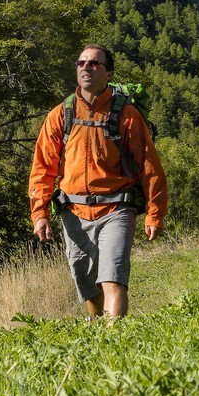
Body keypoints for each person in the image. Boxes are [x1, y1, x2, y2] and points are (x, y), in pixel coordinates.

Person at [28, 44, 167, 318]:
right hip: (74, 213)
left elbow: (149, 167)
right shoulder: (61, 115)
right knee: (88, 285)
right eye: (81, 63)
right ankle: (97, 333)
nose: (86, 68)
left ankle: (114, 343)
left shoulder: (126, 115)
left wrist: (155, 214)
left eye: (94, 64)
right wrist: (40, 213)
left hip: (117, 209)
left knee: (112, 278)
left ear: (108, 73)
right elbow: (42, 168)